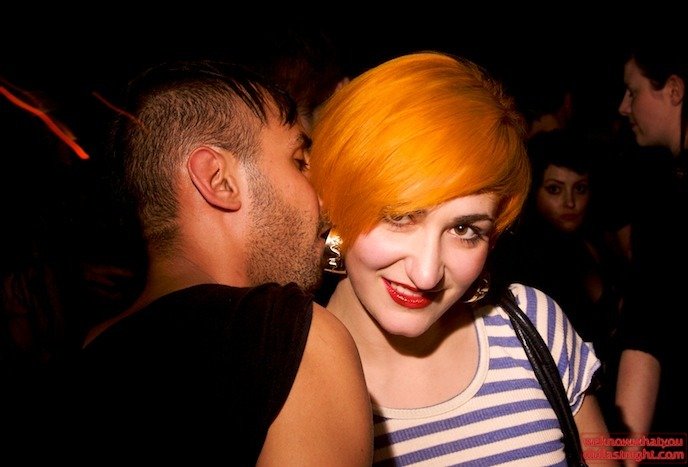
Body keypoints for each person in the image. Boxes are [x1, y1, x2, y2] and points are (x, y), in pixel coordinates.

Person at [310, 52, 613, 466]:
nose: (426, 274)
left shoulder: (535, 324)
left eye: (465, 229)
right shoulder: (285, 382)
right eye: (400, 216)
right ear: (337, 200)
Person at [79, 60, 373, 465]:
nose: (322, 197)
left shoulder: (88, 352)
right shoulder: (291, 335)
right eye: (299, 160)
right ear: (218, 179)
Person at [492, 129, 626, 430]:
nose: (569, 202)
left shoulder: (597, 244)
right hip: (567, 409)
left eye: (580, 189)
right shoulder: (526, 261)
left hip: (611, 399)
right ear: (534, 192)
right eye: (554, 189)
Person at [615, 38, 688, 440]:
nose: (623, 107)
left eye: (633, 92)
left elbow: (645, 332)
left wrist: (618, 457)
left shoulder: (670, 200)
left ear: (674, 90)